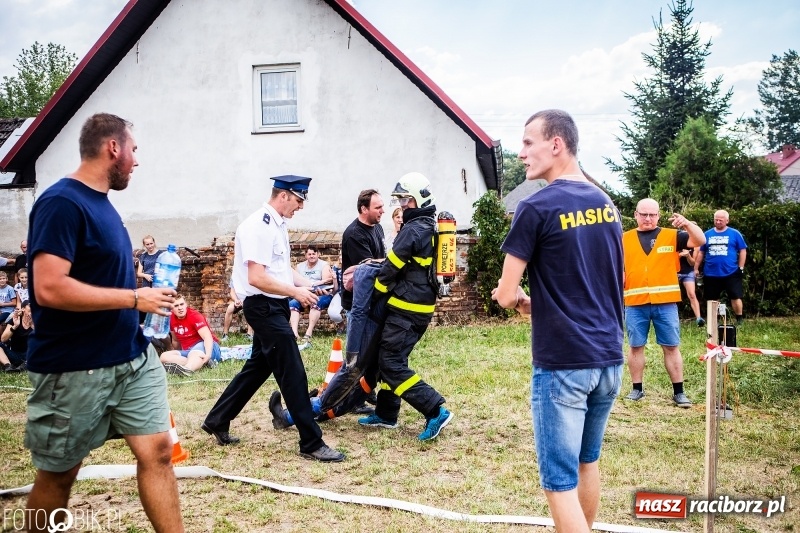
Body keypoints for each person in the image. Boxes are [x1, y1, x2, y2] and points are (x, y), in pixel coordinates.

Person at [23, 113, 183, 532]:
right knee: (59, 475)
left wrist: (147, 297)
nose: (136, 161)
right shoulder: (62, 203)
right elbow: (49, 288)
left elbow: (103, 278)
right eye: (134, 150)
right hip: (76, 367)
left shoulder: (103, 205)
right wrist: (135, 299)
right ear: (114, 147)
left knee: (159, 452)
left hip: (131, 358)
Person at [491, 109, 624, 532]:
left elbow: (506, 293)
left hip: (564, 362)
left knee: (559, 483)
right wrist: (539, 304)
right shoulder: (606, 204)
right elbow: (595, 282)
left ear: (556, 144)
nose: (521, 152)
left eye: (528, 142)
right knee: (587, 462)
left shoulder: (536, 206)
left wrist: (514, 300)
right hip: (609, 358)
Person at [202, 175, 345, 462]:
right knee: (293, 372)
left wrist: (309, 285)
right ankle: (311, 442)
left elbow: (280, 270)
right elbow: (256, 278)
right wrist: (295, 292)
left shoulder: (276, 225)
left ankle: (217, 419)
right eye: (299, 200)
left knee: (257, 368)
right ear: (283, 196)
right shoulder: (258, 226)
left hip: (273, 306)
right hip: (263, 307)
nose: (300, 206)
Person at [357, 172, 453, 441]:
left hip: (406, 309)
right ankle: (387, 413)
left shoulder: (413, 229)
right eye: (400, 200)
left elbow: (391, 268)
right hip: (418, 307)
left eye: (406, 200)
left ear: (419, 200)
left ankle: (435, 410)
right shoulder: (428, 225)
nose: (402, 205)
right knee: (394, 358)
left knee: (390, 362)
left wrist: (375, 295)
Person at [622, 198, 705, 408]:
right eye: (643, 214)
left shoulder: (672, 236)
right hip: (634, 302)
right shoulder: (623, 238)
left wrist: (687, 224)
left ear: (658, 215)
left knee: (671, 346)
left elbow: (700, 240)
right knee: (635, 346)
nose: (648, 218)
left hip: (665, 303)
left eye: (652, 214)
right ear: (636, 215)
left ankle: (679, 392)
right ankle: (636, 389)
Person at [694, 210, 748, 325]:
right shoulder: (707, 234)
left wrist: (741, 267)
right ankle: (715, 321)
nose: (718, 222)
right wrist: (696, 268)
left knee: (736, 296)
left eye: (721, 220)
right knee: (712, 299)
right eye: (716, 220)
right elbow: (701, 252)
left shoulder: (735, 233)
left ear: (727, 221)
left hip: (731, 272)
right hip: (711, 273)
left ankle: (739, 319)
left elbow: (743, 250)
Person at [341, 189, 386, 312]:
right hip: (358, 304)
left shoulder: (378, 227)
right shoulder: (354, 234)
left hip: (374, 298)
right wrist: (394, 260)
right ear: (364, 209)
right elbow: (368, 268)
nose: (383, 211)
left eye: (382, 206)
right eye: (378, 208)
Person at [159, 294, 222, 375]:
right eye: (176, 306)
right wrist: (177, 354)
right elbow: (175, 340)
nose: (180, 308)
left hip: (209, 347)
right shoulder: (171, 319)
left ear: (186, 305)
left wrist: (208, 355)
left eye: (182, 304)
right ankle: (201, 364)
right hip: (189, 351)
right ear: (171, 308)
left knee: (194, 353)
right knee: (164, 357)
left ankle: (187, 370)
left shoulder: (194, 316)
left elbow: (207, 337)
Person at [288, 244, 335, 349]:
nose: (312, 256)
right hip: (304, 292)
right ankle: (294, 333)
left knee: (315, 302)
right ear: (305, 255)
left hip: (321, 293)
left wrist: (315, 286)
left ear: (318, 254)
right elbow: (294, 283)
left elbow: (327, 282)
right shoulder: (300, 267)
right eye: (309, 254)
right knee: (293, 303)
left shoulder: (324, 265)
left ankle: (308, 333)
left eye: (314, 254)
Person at [136, 235, 164, 323]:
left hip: (158, 284)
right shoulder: (143, 256)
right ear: (144, 245)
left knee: (158, 304)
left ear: (154, 242)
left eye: (151, 243)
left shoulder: (161, 254)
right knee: (147, 304)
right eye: (147, 244)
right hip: (147, 284)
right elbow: (139, 273)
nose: (150, 246)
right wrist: (145, 275)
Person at [1, 300, 32, 372]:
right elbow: (3, 339)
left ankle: (25, 365)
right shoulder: (15, 319)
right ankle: (8, 366)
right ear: (23, 309)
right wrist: (15, 326)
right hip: (15, 355)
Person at [678, 247, 704, 327]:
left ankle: (699, 319)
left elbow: (692, 263)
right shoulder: (674, 243)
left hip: (688, 272)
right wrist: (679, 255)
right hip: (674, 272)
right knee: (673, 296)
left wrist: (688, 255)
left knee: (692, 295)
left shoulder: (695, 246)